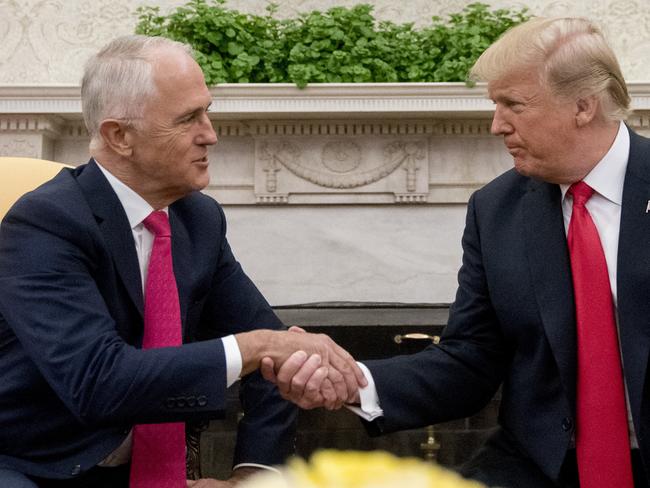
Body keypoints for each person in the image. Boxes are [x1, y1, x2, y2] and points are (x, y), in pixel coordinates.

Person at [263, 17, 650, 488]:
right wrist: (355, 380)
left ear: (583, 107)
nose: (496, 125)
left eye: (513, 105)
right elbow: (471, 360)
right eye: (494, 105)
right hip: (539, 464)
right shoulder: (496, 210)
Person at [0, 35, 365, 488]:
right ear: (119, 136)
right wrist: (259, 347)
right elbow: (99, 381)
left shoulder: (197, 219)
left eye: (207, 111)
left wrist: (251, 475)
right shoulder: (47, 221)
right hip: (34, 467)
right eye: (188, 118)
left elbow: (275, 357)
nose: (210, 134)